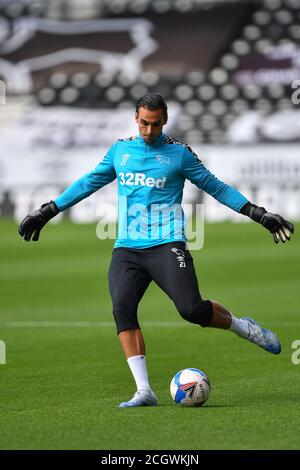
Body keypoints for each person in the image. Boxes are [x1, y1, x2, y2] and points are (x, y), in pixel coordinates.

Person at [18, 93, 294, 408]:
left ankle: (242, 327)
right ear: (136, 119)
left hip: (167, 244)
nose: (149, 131)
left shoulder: (178, 154)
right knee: (122, 308)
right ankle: (144, 391)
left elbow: (216, 187)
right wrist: (47, 210)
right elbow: (88, 183)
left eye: (156, 124)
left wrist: (258, 214)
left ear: (164, 121)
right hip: (127, 248)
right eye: (144, 123)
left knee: (192, 310)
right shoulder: (121, 152)